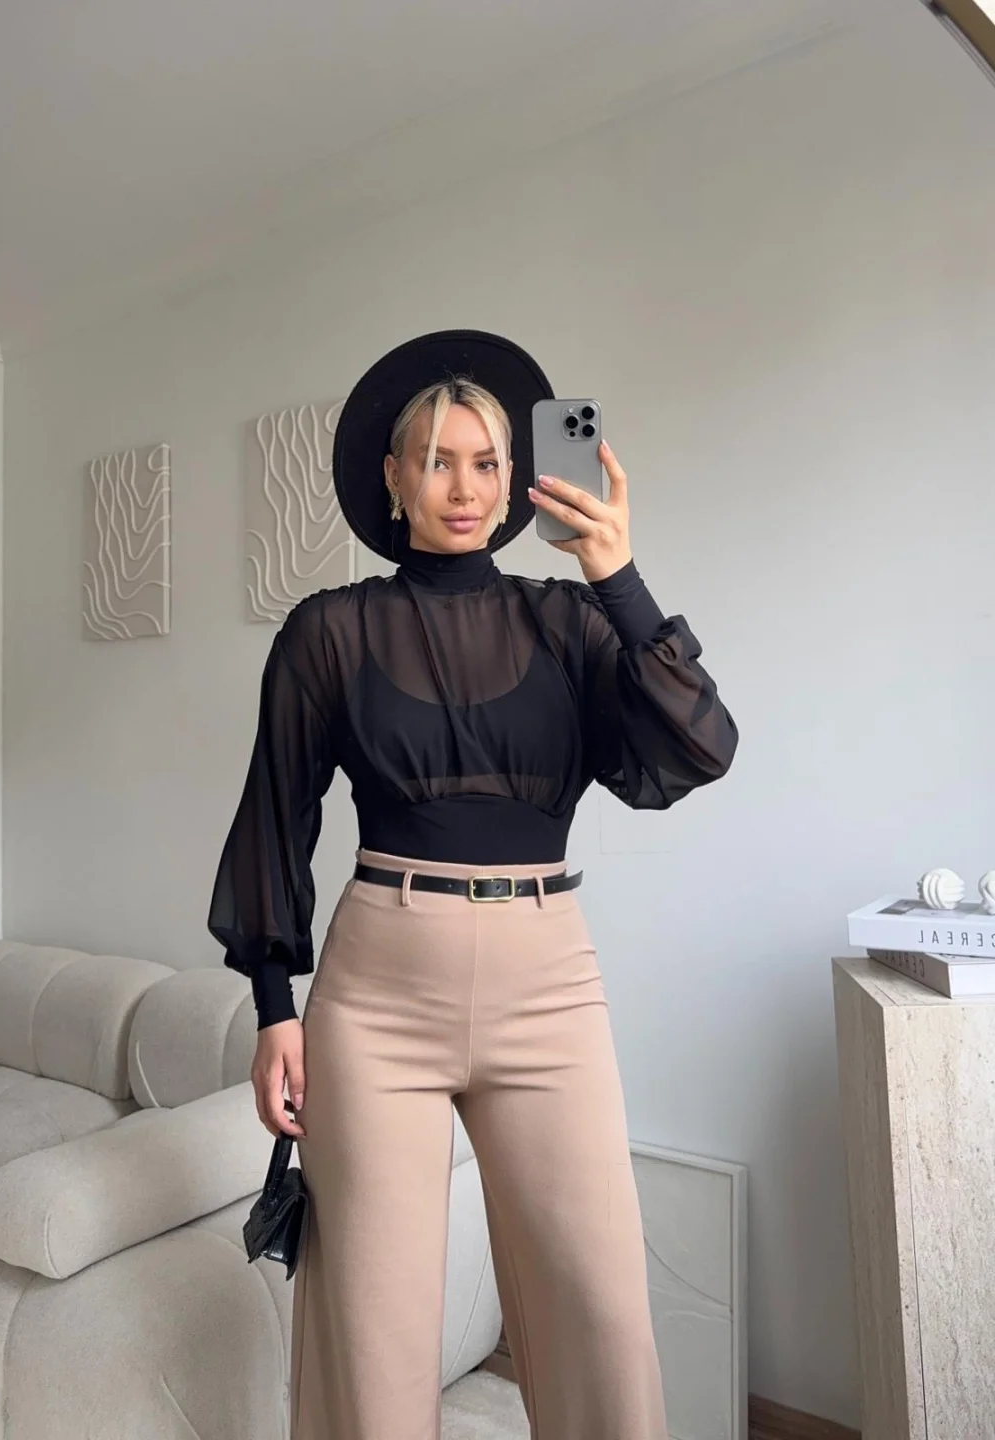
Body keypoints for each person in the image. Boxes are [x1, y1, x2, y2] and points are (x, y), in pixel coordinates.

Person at [208, 329, 738, 1440]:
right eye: (438, 460)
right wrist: (273, 1008)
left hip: (549, 984)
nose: (464, 486)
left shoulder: (571, 622)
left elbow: (698, 749)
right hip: (377, 990)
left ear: (515, 480)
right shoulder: (329, 631)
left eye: (487, 462)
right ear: (393, 479)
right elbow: (277, 813)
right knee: (373, 1326)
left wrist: (619, 578)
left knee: (599, 1310)